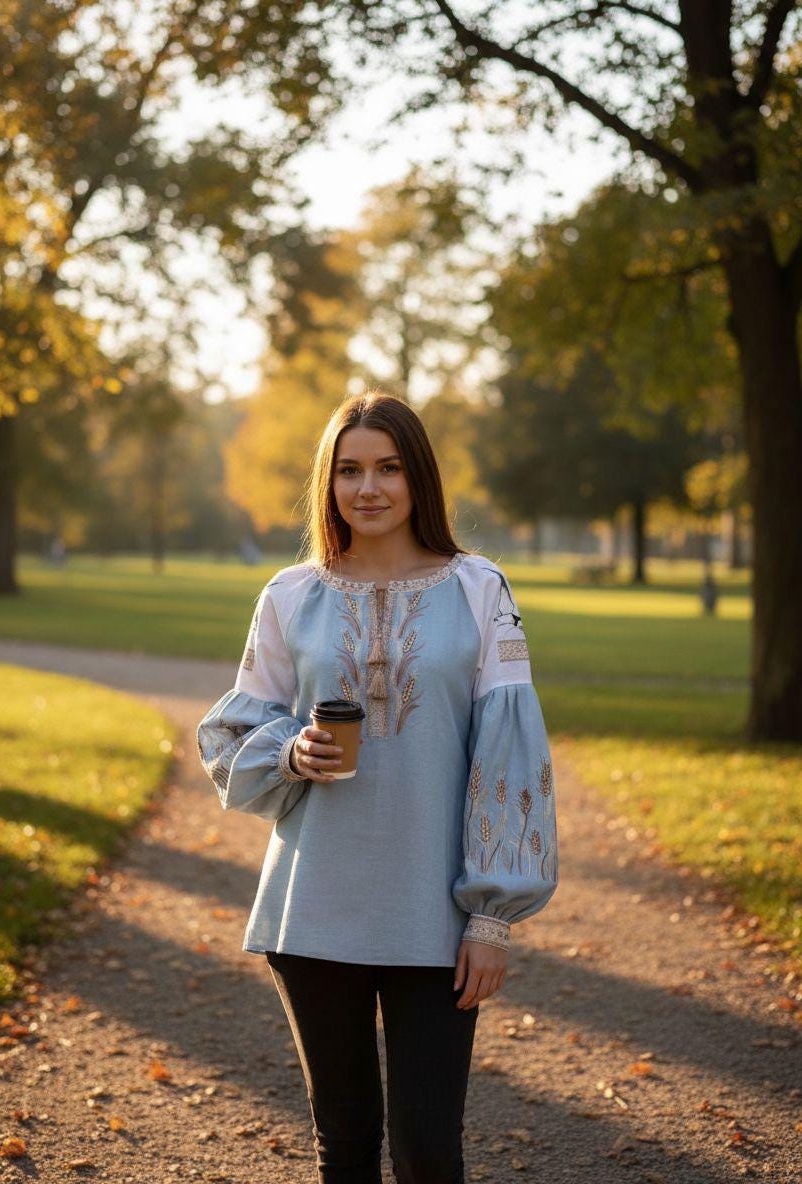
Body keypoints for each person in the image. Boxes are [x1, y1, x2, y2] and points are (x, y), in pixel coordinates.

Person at [196, 390, 559, 1184]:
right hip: (313, 904)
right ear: (328, 483)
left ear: (417, 476)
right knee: (345, 1144)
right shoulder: (291, 595)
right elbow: (232, 734)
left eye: (389, 468)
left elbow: (508, 749)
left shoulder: (479, 588)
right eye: (350, 469)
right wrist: (291, 753)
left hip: (436, 913)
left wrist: (491, 917)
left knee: (430, 1151)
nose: (369, 488)